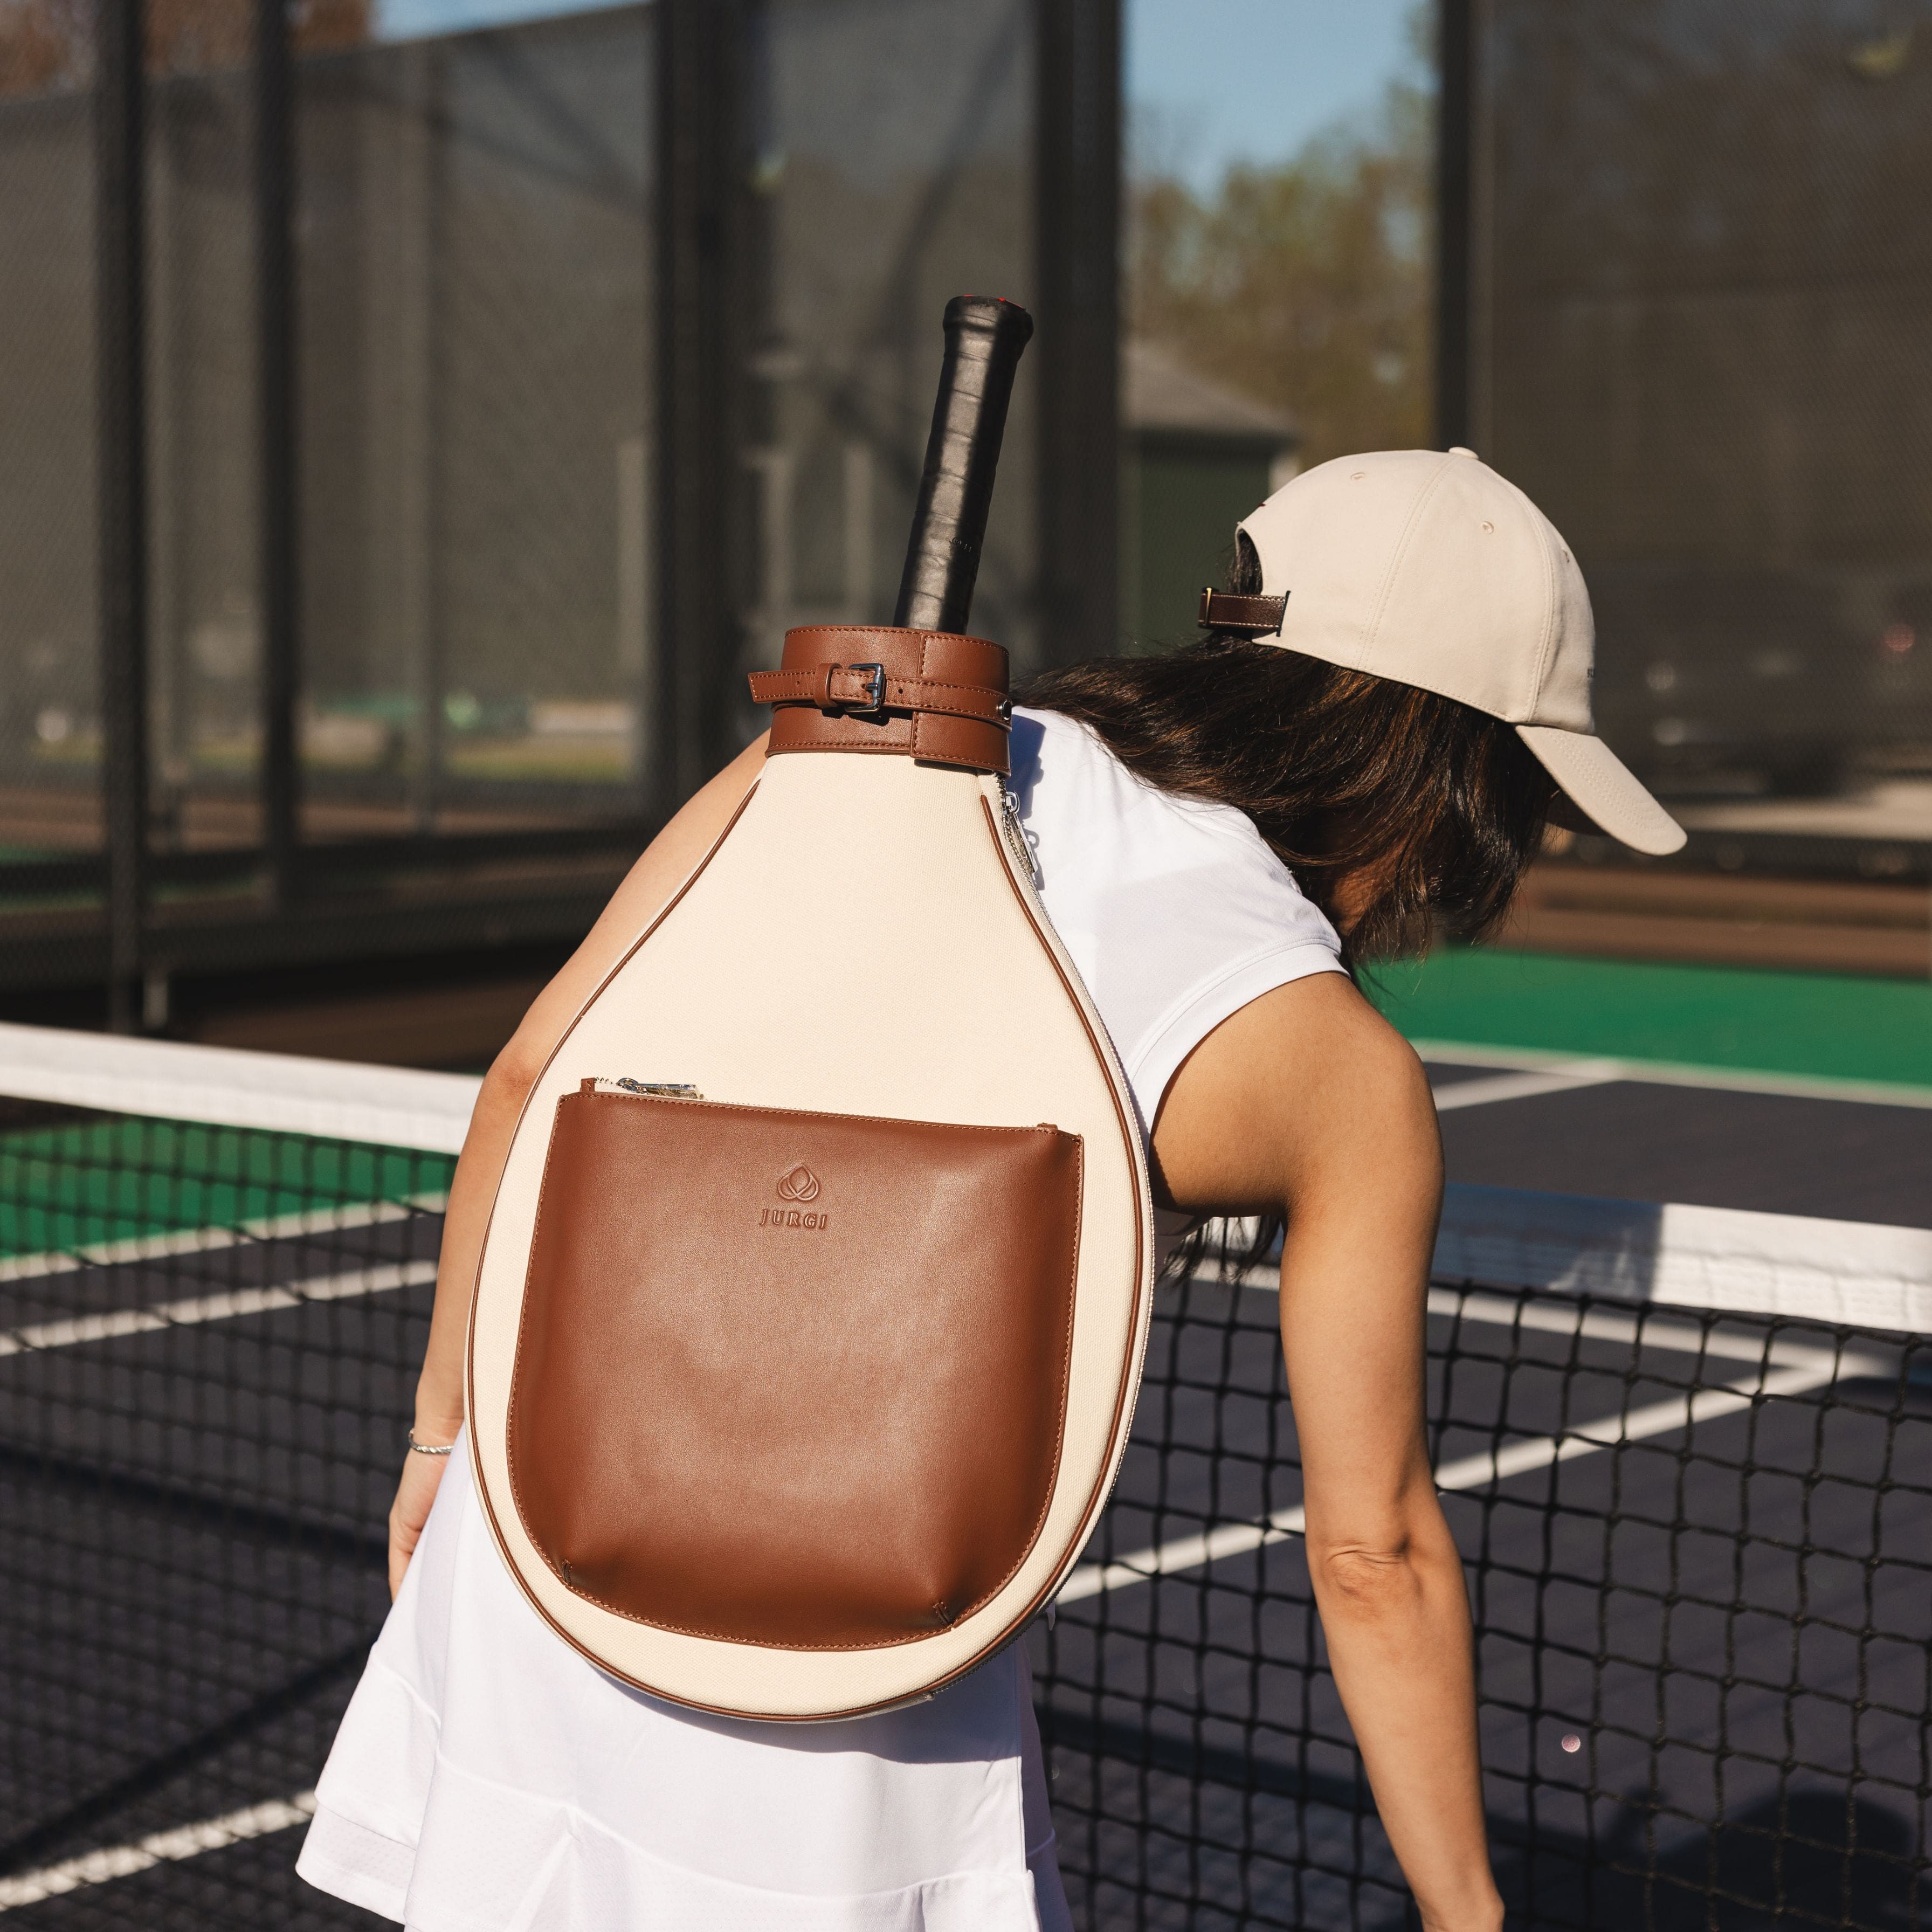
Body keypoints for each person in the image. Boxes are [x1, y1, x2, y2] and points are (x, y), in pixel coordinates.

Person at [296, 446, 1683, 1932]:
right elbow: (1373, 1550)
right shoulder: (1342, 1077)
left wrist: (443, 1444)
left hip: (543, 1559)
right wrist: (1468, 1913)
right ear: (1449, 767)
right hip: (851, 1705)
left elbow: (533, 1077)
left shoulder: (848, 743)